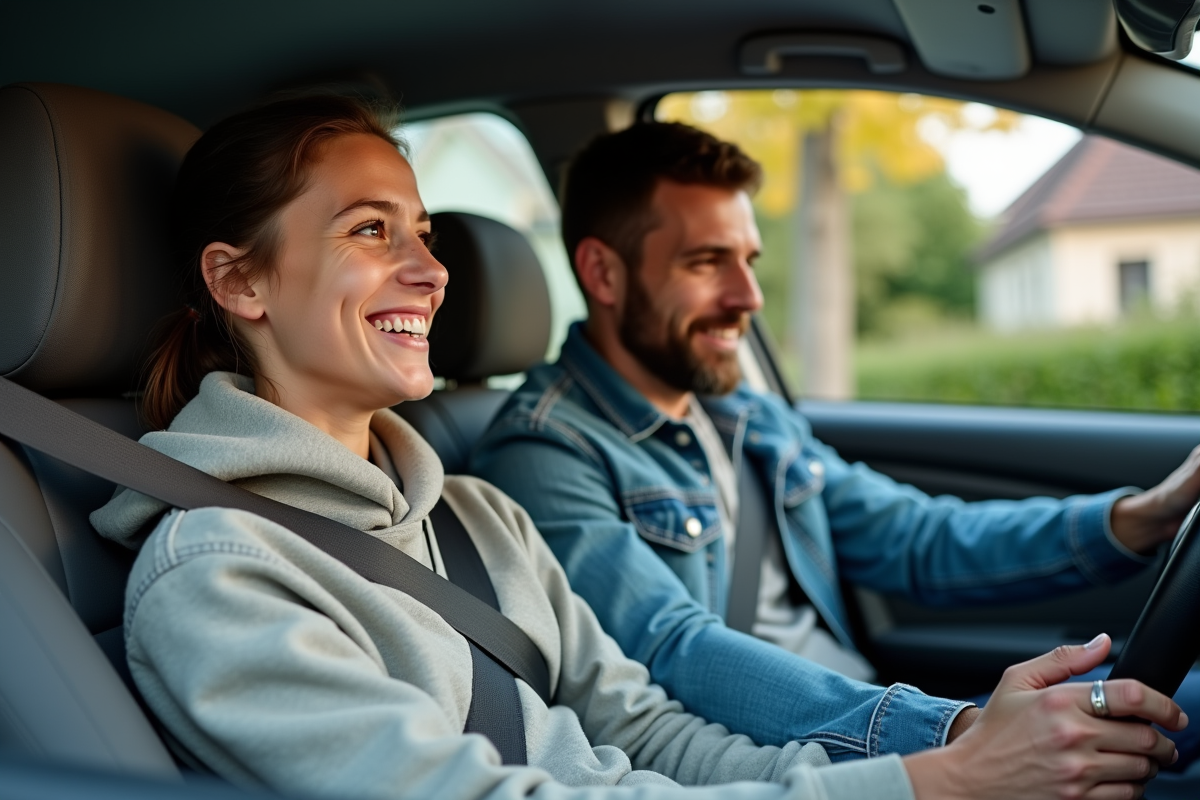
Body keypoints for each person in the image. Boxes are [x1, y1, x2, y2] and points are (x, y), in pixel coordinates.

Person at [90, 94, 1183, 800]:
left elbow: (649, 728)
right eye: (372, 231)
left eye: (424, 233)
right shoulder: (220, 573)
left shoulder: (477, 515)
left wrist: (934, 766)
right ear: (239, 281)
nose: (432, 269)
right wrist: (939, 775)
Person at [470, 121, 1200, 770]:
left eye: (749, 259)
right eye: (706, 263)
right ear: (602, 272)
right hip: (813, 767)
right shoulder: (542, 452)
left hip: (885, 725)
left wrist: (1146, 516)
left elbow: (914, 538)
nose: (749, 296)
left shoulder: (741, 412)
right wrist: (958, 734)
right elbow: (673, 648)